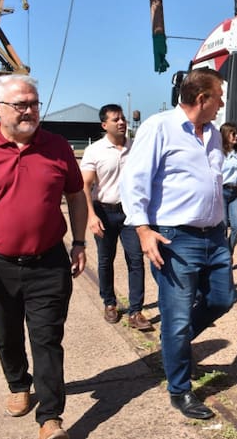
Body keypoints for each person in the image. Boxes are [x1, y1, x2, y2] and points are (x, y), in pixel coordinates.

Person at [0, 74, 87, 439]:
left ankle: (50, 418)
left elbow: (76, 195)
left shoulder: (57, 147)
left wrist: (79, 242)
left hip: (49, 263)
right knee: (5, 334)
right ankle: (18, 384)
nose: (29, 111)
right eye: (20, 104)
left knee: (47, 338)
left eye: (34, 104)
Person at [120, 68, 236, 421]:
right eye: (218, 98)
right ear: (202, 98)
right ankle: (180, 389)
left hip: (214, 236)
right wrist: (143, 230)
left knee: (221, 299)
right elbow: (134, 180)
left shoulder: (212, 133)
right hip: (176, 238)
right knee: (178, 316)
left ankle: (175, 344)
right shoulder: (159, 127)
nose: (221, 105)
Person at [80, 104, 151, 331]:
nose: (121, 122)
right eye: (115, 119)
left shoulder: (137, 147)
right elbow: (85, 185)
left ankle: (136, 311)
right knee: (105, 259)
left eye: (122, 118)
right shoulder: (95, 151)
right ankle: (109, 303)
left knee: (136, 260)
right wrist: (91, 216)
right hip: (104, 212)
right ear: (104, 125)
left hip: (131, 213)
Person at [220, 122, 237, 254]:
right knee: (222, 226)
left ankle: (228, 251)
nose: (236, 136)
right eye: (233, 134)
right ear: (225, 135)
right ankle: (223, 256)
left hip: (236, 192)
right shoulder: (218, 153)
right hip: (221, 191)